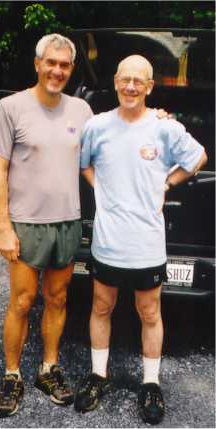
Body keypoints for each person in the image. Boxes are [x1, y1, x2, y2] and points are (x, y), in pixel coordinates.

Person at [74, 55, 207, 424]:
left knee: (150, 313)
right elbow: (84, 164)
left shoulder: (166, 128)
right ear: (116, 81)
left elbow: (198, 158)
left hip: (147, 243)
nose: (131, 86)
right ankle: (98, 375)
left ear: (150, 87)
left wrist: (167, 182)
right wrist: (100, 187)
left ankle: (150, 383)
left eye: (139, 81)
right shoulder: (96, 126)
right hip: (107, 241)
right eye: (125, 79)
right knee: (101, 307)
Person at [0, 33, 93, 418]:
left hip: (66, 221)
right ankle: (12, 375)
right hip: (26, 224)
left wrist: (155, 116)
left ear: (71, 69)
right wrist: (4, 227)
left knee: (59, 298)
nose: (57, 71)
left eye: (64, 65)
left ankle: (49, 368)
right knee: (23, 301)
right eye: (51, 63)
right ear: (37, 64)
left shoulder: (81, 110)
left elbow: (100, 154)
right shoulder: (9, 108)